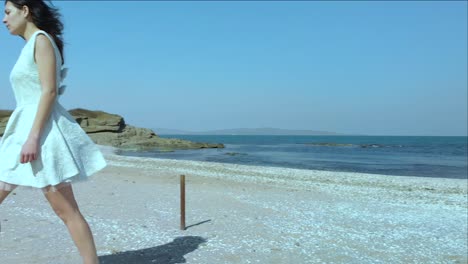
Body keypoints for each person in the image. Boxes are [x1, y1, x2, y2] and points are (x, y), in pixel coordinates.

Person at [0, 1, 107, 263]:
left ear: (25, 10)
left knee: (66, 210)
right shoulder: (32, 45)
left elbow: (48, 92)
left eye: (7, 12)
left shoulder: (41, 40)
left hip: (40, 134)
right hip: (23, 130)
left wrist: (33, 138)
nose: (4, 19)